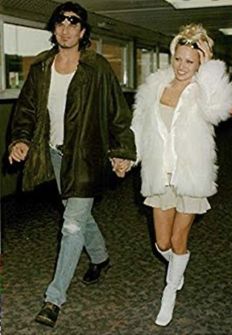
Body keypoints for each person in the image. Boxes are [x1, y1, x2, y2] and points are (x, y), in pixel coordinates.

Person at [8, 1, 135, 327]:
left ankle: (54, 299)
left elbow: (117, 114)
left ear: (82, 31)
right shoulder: (40, 69)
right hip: (53, 153)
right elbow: (26, 112)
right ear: (54, 29)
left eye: (73, 22)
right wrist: (20, 139)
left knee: (72, 224)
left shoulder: (97, 68)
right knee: (77, 213)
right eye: (60, 22)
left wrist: (122, 151)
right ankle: (101, 258)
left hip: (86, 155)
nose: (66, 28)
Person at [131, 23, 232, 327]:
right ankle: (178, 267)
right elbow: (140, 127)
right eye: (178, 59)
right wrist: (129, 158)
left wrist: (211, 67)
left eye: (190, 61)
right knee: (162, 244)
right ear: (172, 56)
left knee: (178, 240)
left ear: (199, 62)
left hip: (190, 175)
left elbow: (218, 109)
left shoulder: (203, 89)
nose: (182, 66)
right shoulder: (155, 86)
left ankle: (170, 291)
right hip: (159, 174)